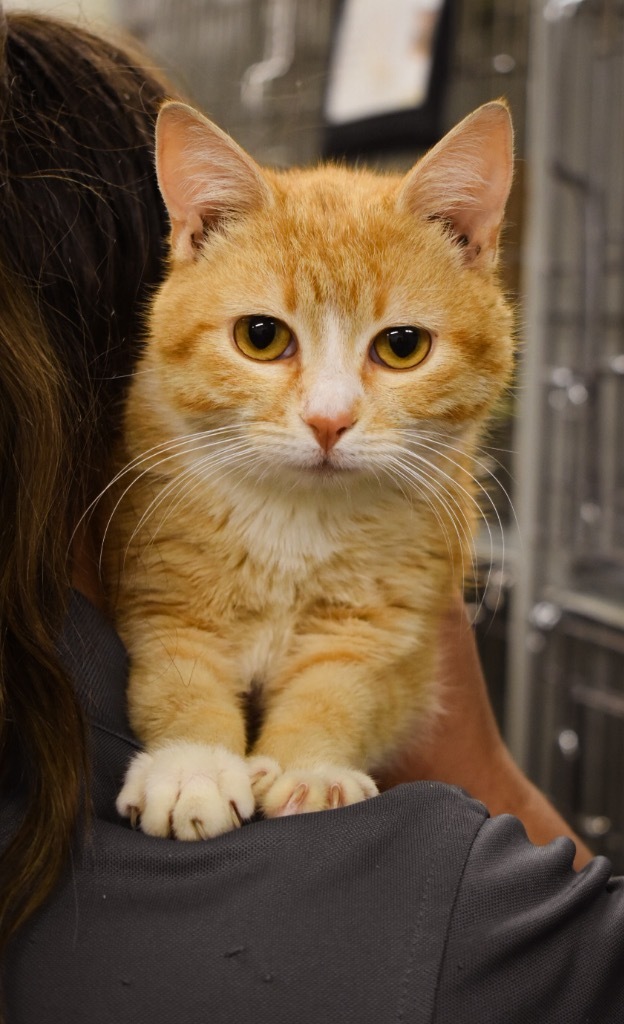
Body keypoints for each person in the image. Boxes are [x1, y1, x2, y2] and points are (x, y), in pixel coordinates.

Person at [0, 9, 622, 1023]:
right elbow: (180, 625)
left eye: (401, 346)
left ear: (474, 242)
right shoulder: (444, 910)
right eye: (265, 334)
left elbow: (342, 642)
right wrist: (485, 775)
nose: (331, 414)